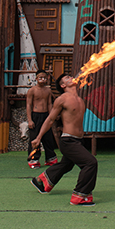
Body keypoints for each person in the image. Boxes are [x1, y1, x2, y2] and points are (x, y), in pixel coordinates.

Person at [31, 74, 98, 206]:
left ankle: (41, 181)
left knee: (66, 164)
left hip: (79, 140)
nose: (71, 78)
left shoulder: (80, 100)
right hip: (68, 141)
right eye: (67, 78)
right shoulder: (62, 99)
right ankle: (80, 196)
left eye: (70, 76)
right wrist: (38, 137)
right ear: (63, 85)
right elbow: (50, 119)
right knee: (90, 163)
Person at [26, 69, 57, 168]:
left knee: (48, 138)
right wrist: (30, 120)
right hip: (35, 115)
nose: (42, 79)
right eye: (40, 78)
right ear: (36, 78)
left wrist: (51, 116)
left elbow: (49, 104)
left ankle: (50, 158)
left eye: (44, 78)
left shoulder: (48, 90)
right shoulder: (32, 90)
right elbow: (28, 105)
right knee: (34, 138)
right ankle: (33, 160)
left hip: (46, 115)